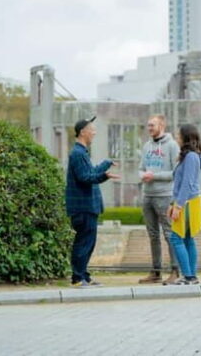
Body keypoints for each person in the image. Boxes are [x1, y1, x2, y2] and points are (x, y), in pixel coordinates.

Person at [65, 116, 120, 288]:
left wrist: (106, 164)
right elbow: (85, 177)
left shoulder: (82, 153)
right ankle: (77, 278)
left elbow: (91, 172)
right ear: (83, 132)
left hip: (89, 207)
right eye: (92, 129)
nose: (94, 133)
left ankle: (84, 276)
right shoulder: (77, 154)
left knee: (88, 243)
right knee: (83, 242)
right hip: (83, 207)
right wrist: (104, 176)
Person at [137, 114, 180, 285]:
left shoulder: (172, 145)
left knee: (169, 234)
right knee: (153, 235)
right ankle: (155, 272)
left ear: (162, 125)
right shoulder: (147, 146)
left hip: (164, 196)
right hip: (147, 195)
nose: (149, 128)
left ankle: (176, 271)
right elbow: (141, 168)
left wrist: (153, 176)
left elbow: (175, 172)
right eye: (148, 125)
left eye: (152, 125)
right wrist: (142, 175)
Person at [167, 124, 201, 285]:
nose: (176, 137)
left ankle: (188, 276)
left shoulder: (190, 157)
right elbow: (180, 183)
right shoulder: (191, 156)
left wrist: (178, 206)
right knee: (188, 238)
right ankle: (191, 276)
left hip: (188, 202)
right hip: (189, 202)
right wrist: (173, 203)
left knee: (176, 238)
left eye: (178, 135)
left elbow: (187, 184)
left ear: (185, 137)